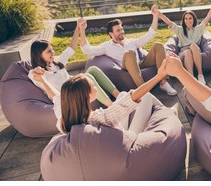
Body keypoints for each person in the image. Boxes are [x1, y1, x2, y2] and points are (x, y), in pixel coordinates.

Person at [30, 57, 171, 135]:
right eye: (94, 86)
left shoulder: (63, 117)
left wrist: (42, 80)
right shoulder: (101, 118)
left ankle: (166, 112)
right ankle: (167, 113)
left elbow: (56, 97)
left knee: (122, 94)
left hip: (111, 139)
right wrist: (159, 76)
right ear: (88, 97)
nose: (96, 87)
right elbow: (133, 97)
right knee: (144, 97)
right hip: (130, 142)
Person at [78, 11, 177, 96]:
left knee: (158, 45)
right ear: (111, 34)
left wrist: (155, 16)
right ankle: (144, 91)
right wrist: (82, 31)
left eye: (122, 29)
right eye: (118, 30)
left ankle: (163, 83)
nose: (121, 32)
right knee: (129, 53)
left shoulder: (131, 42)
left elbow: (150, 34)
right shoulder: (106, 46)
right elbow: (87, 50)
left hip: (140, 64)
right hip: (126, 68)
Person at [29, 19, 120, 107]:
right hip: (69, 97)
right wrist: (37, 71)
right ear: (39, 55)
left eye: (52, 49)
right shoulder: (36, 73)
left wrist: (78, 28)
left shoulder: (56, 62)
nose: (53, 53)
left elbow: (71, 48)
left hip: (74, 88)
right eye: (49, 51)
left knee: (93, 69)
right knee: (86, 77)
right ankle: (111, 106)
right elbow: (34, 75)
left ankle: (118, 96)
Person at [151, 0, 211, 84]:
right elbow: (168, 22)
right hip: (184, 52)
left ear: (194, 19)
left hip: (196, 51)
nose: (188, 20)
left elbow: (208, 17)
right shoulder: (180, 30)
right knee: (188, 51)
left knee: (193, 46)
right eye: (186, 18)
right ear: (183, 20)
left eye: (190, 18)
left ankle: (200, 75)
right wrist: (158, 13)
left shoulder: (199, 29)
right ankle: (191, 78)